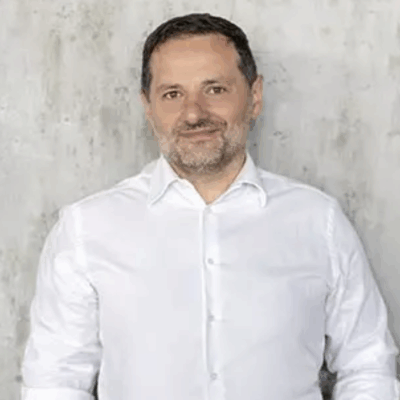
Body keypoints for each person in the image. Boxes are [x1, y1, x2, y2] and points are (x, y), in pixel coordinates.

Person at [21, 13, 399, 400]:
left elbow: (367, 365)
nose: (193, 113)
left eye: (215, 89)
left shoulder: (318, 221)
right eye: (172, 94)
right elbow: (55, 382)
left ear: (254, 96)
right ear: (148, 107)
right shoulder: (87, 228)